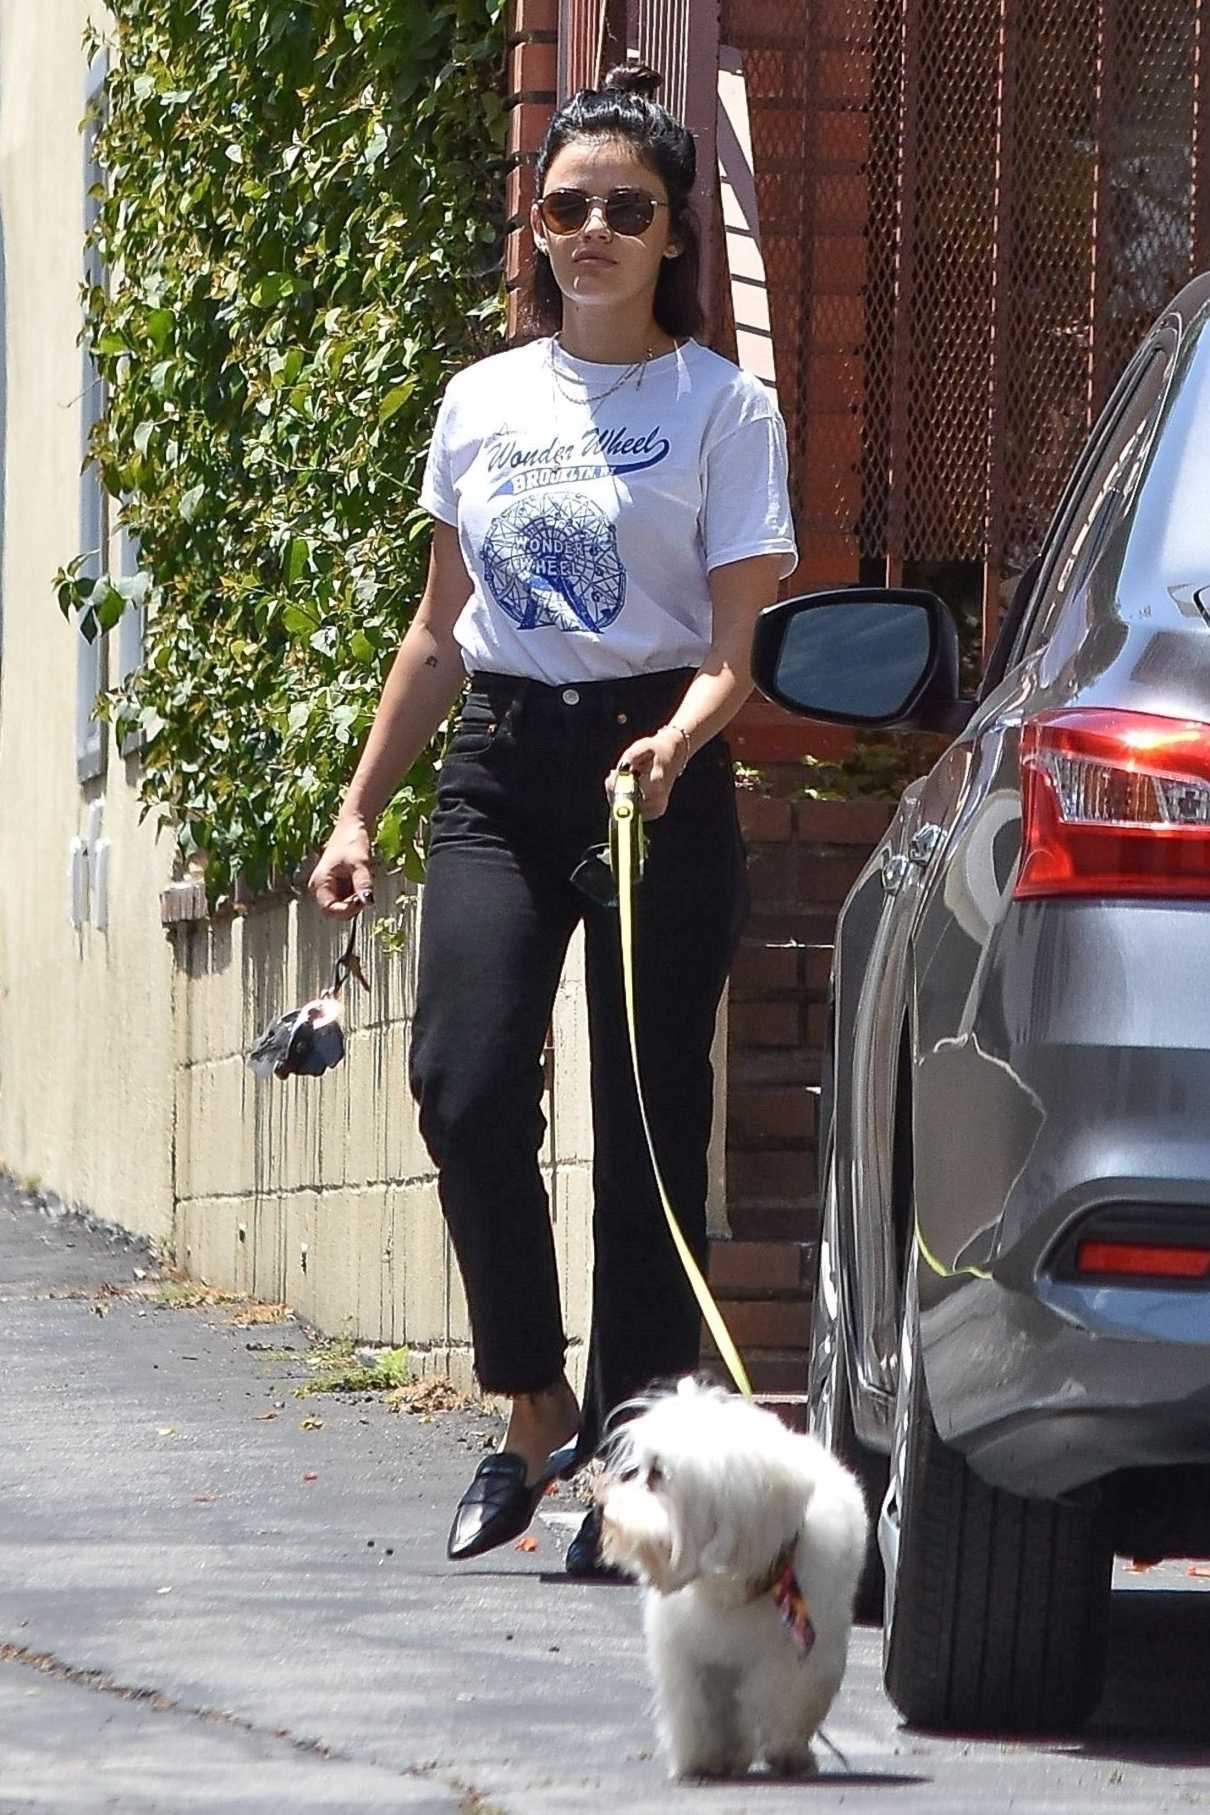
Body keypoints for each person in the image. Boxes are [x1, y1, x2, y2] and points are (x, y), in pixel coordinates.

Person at [310, 62, 797, 1576]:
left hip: (655, 770)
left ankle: (637, 1461)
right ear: (535, 225)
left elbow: (734, 654)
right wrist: (355, 810)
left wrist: (671, 745)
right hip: (504, 770)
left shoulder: (722, 407)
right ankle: (533, 1406)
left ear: (670, 239)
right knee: (460, 1086)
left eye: (625, 209)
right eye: (568, 204)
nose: (591, 228)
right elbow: (436, 632)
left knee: (647, 1128)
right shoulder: (481, 399)